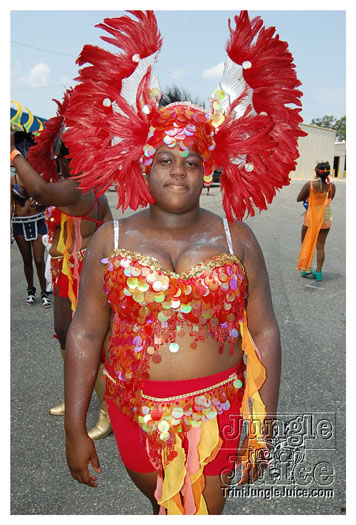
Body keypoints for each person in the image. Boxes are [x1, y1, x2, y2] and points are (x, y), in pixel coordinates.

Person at [62, 10, 306, 514]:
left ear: (208, 168)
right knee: (161, 510)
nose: (180, 171)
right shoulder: (112, 238)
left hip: (219, 418)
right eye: (166, 159)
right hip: (134, 416)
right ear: (143, 164)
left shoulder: (235, 237)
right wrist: (75, 428)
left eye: (192, 161)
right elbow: (85, 333)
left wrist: (264, 418)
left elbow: (264, 331)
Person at [10, 90, 113, 440]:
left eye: (69, 153)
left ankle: (105, 414)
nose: (63, 160)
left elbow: (38, 190)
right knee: (66, 338)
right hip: (64, 272)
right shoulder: (75, 187)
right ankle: (76, 400)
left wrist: (11, 151)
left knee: (88, 342)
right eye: (61, 153)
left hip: (84, 274)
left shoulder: (79, 190)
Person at [11, 131, 52, 308]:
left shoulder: (37, 178)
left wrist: (41, 202)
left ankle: (44, 293)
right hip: (19, 223)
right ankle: (30, 290)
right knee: (27, 261)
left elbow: (48, 199)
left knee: (39, 260)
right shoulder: (11, 179)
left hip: (37, 220)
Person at [296, 161, 336, 281]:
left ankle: (306, 268)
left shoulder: (310, 185)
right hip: (325, 216)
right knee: (321, 246)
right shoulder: (331, 186)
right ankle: (318, 272)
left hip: (311, 217)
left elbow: (298, 198)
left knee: (306, 242)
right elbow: (330, 199)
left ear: (316, 172)